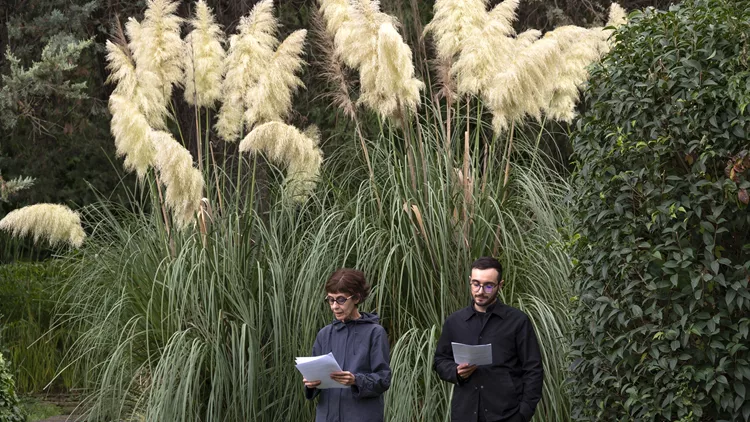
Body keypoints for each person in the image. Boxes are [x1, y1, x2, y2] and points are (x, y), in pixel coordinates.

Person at [433, 257, 544, 422]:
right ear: (470, 281)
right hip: (464, 413)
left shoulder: (518, 321)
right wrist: (455, 372)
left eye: (489, 285)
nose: (480, 291)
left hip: (507, 414)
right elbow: (440, 360)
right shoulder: (454, 321)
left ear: (500, 285)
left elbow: (533, 369)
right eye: (476, 284)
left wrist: (524, 412)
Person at [303, 268, 391, 422]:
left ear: (356, 298)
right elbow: (315, 380)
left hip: (361, 416)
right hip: (327, 416)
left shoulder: (375, 333)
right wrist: (311, 383)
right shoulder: (324, 334)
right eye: (330, 299)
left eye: (341, 299)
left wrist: (355, 380)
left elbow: (383, 379)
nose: (334, 306)